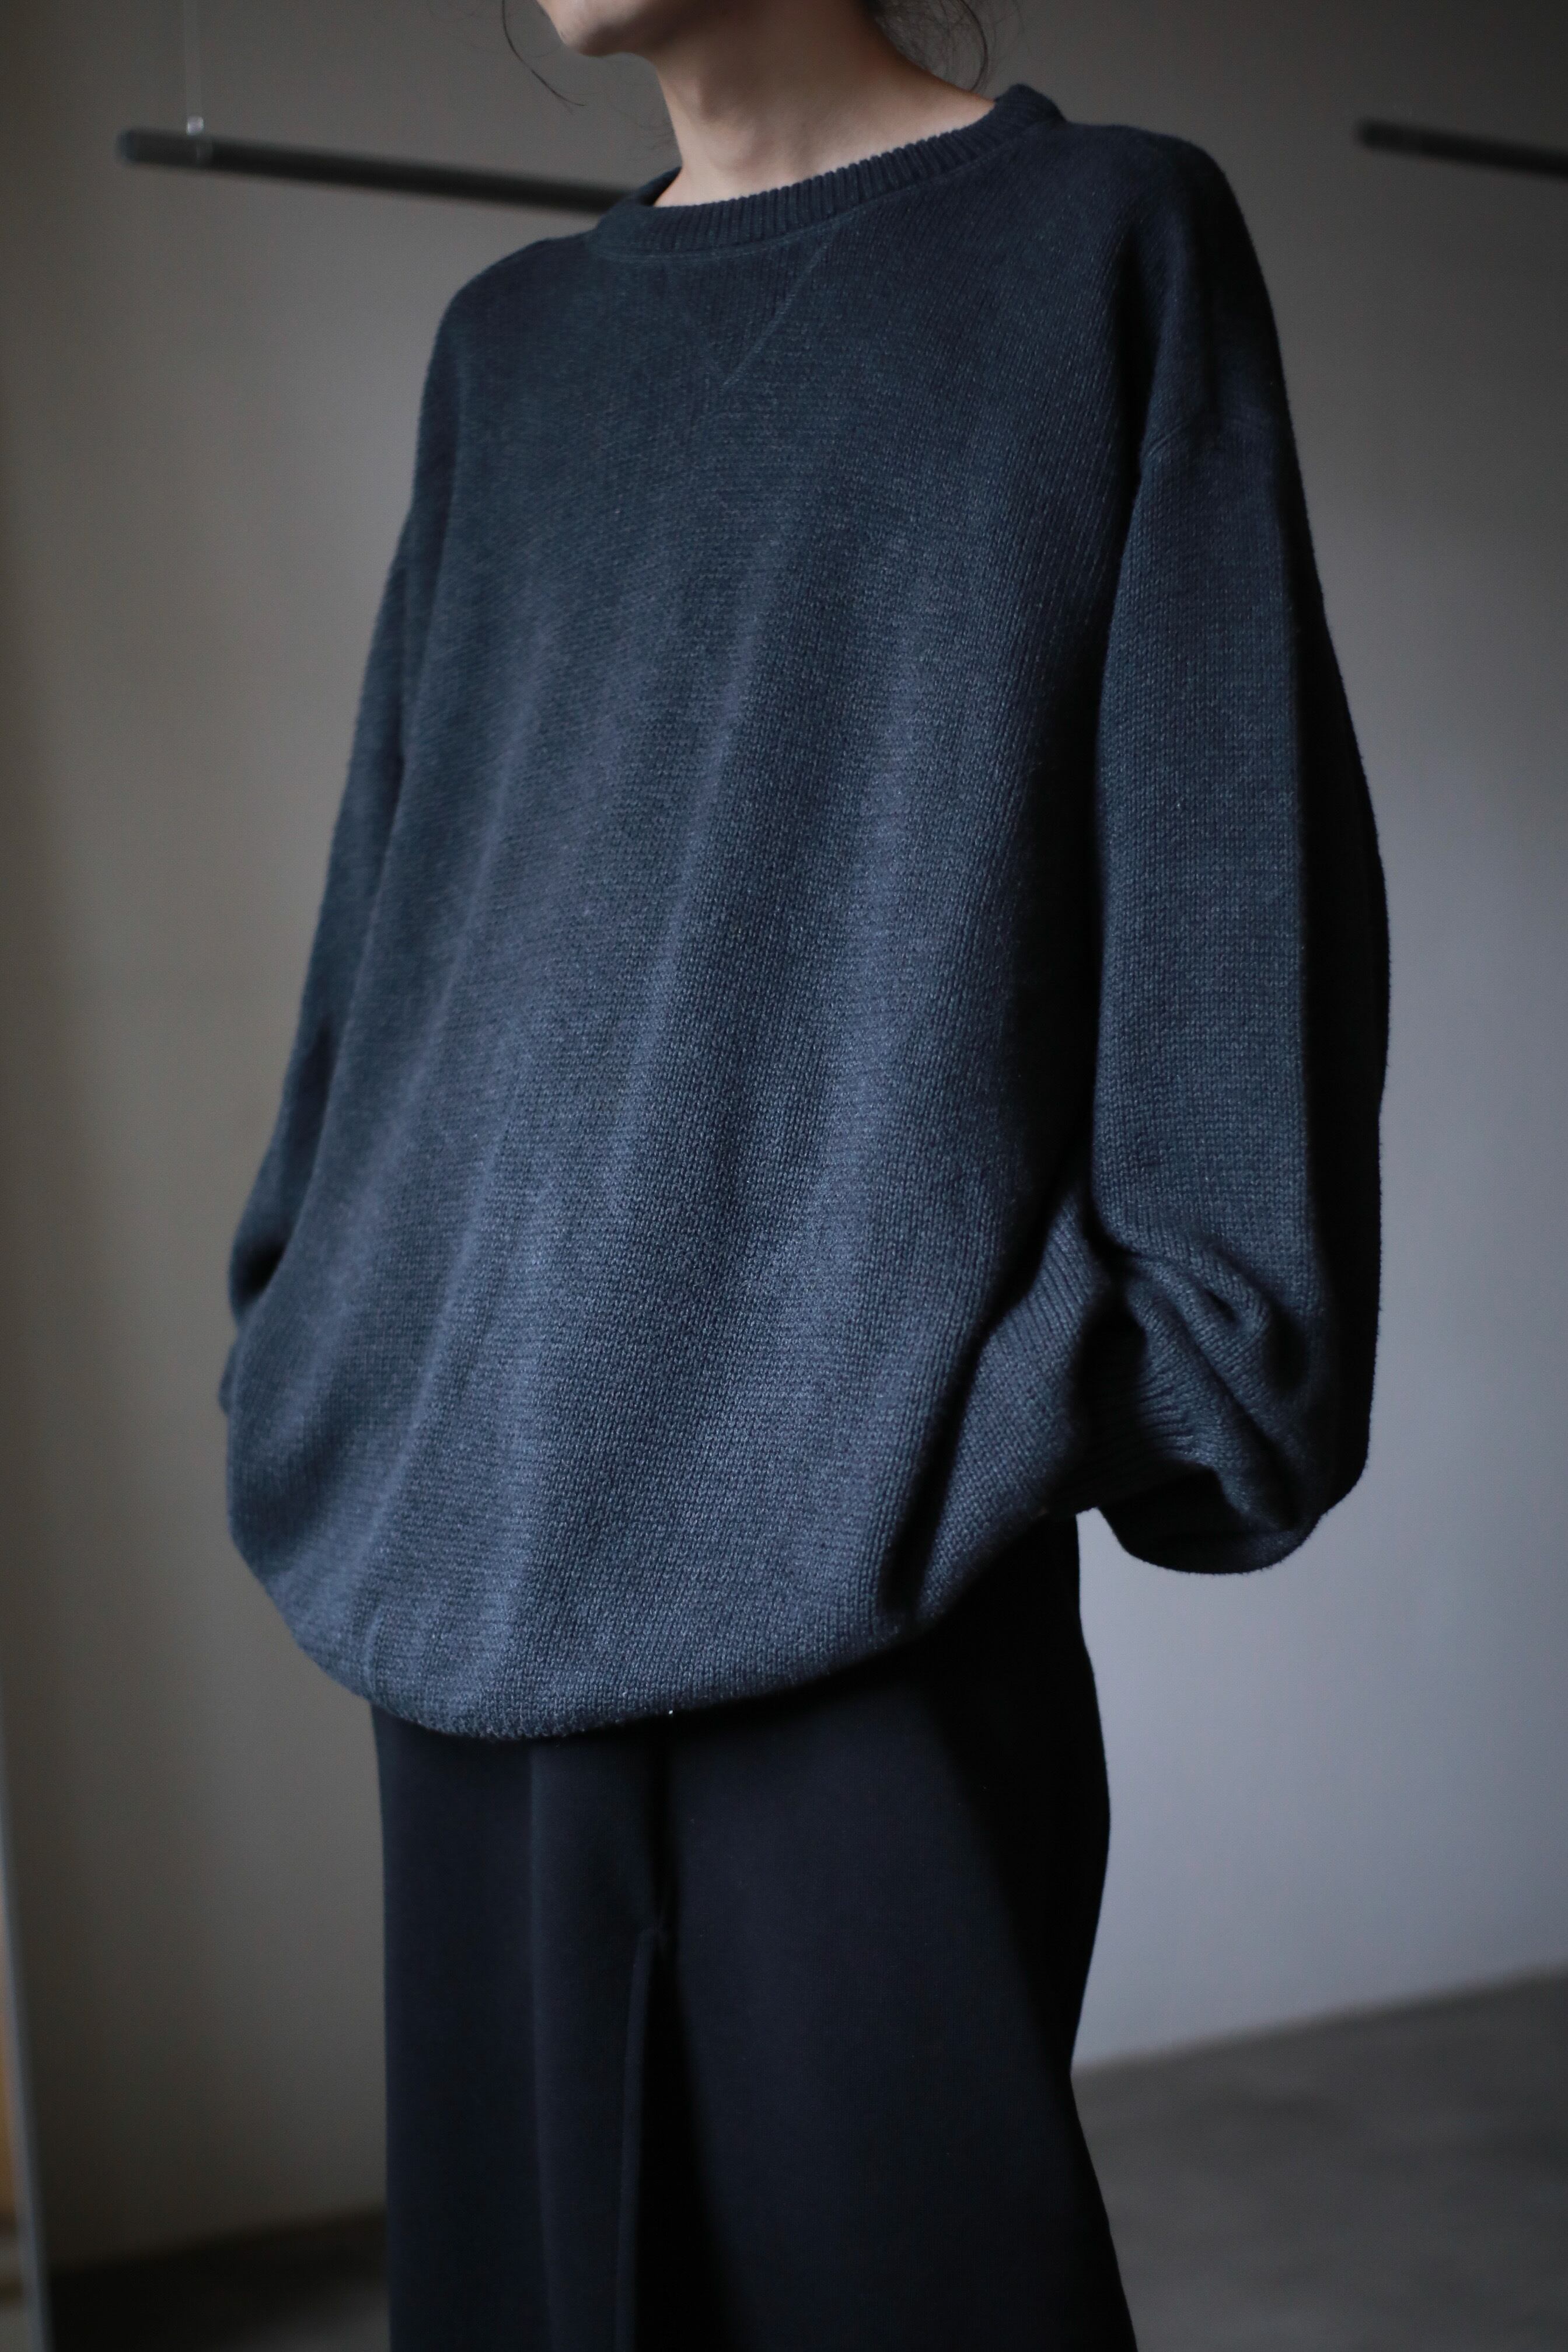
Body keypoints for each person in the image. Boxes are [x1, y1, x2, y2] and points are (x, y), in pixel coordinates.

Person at [219, 0, 1389, 2340]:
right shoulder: (511, 354)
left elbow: (1230, 881)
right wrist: (312, 1346)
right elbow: (391, 927)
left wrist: (1087, 1391)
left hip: (871, 1569)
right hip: (468, 1564)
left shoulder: (1098, 246)